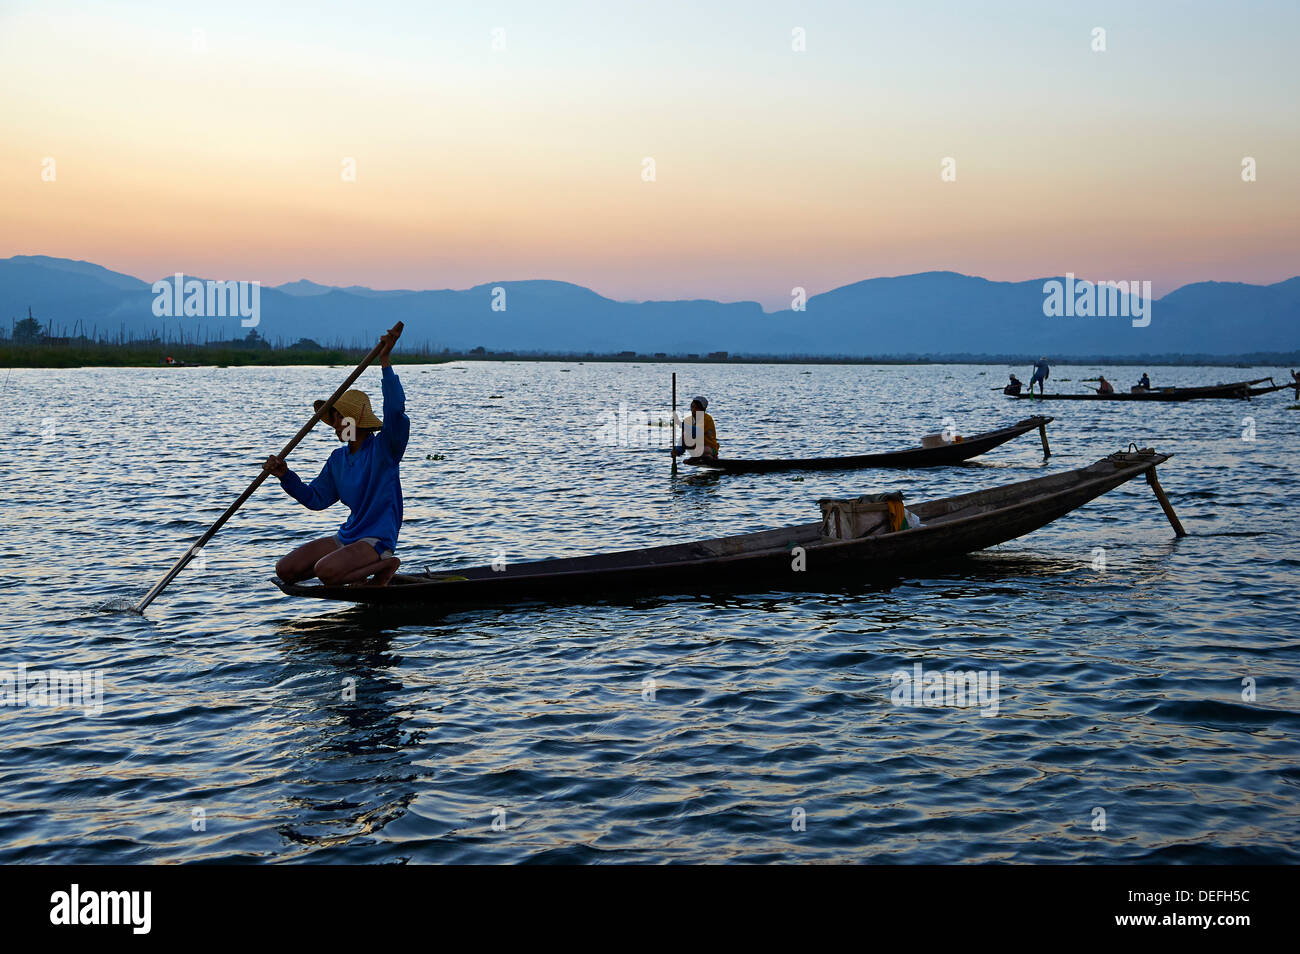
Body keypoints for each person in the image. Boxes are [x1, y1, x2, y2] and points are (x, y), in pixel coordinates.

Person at [265, 323, 409, 586]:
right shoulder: (337, 459)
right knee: (285, 570)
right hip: (349, 536)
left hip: (376, 540)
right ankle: (353, 571)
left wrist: (385, 361)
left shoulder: (385, 449)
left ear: (356, 421)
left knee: (326, 572)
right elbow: (315, 499)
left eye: (339, 417)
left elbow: (396, 411)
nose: (335, 424)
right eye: (334, 418)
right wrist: (285, 475)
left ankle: (387, 562)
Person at [674, 396, 719, 461]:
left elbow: (696, 431)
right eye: (692, 407)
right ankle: (698, 457)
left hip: (710, 449)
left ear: (703, 409)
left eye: (696, 408)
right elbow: (683, 439)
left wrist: (680, 424)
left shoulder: (707, 419)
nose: (693, 410)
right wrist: (677, 451)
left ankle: (709, 456)